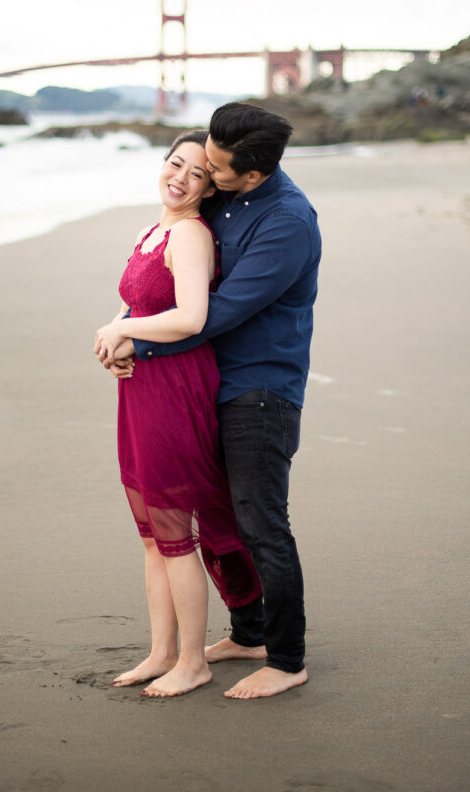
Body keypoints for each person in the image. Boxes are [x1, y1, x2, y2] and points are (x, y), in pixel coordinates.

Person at [99, 102, 322, 700]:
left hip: (259, 388)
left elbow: (217, 312)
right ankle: (247, 632)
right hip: (202, 379)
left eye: (218, 170)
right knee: (218, 515)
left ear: (252, 174)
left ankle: (287, 656)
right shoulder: (225, 192)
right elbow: (164, 281)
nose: (208, 175)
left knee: (259, 519)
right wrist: (127, 324)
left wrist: (131, 341)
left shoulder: (287, 223)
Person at [94, 129, 262, 699]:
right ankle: (161, 652)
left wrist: (123, 331)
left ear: (209, 187)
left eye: (196, 173)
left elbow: (191, 317)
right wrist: (117, 344)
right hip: (141, 384)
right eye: (174, 164)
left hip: (175, 387)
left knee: (175, 534)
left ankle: (193, 660)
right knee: (151, 533)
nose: (180, 178)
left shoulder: (191, 235)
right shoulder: (152, 229)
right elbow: (136, 303)